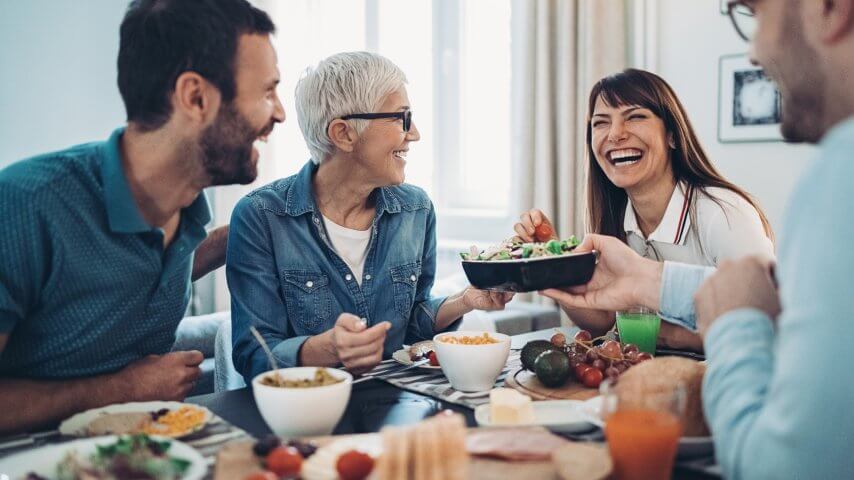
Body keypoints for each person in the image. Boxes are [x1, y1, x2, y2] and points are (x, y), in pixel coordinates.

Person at [542, 0, 854, 477]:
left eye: (755, 12)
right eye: (600, 123)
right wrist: (558, 275)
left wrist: (683, 324)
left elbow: (772, 330)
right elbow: (612, 318)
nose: (753, 51)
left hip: (717, 413)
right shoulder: (615, 218)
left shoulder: (757, 203)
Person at [0, 0, 284, 434]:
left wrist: (246, 231)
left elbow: (132, 273)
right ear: (195, 97)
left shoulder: (185, 212)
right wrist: (119, 388)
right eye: (267, 92)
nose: (279, 112)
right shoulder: (23, 206)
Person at [227, 51, 512, 384]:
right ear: (344, 134)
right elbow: (254, 354)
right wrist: (328, 349)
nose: (415, 133)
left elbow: (411, 322)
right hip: (305, 412)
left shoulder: (416, 209)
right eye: (401, 118)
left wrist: (464, 301)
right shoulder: (260, 217)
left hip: (394, 401)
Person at [515, 69, 773, 350]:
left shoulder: (724, 214)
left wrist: (664, 332)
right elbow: (601, 320)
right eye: (601, 123)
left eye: (635, 117)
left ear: (672, 135)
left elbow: (767, 323)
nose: (615, 134)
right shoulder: (617, 217)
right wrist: (555, 264)